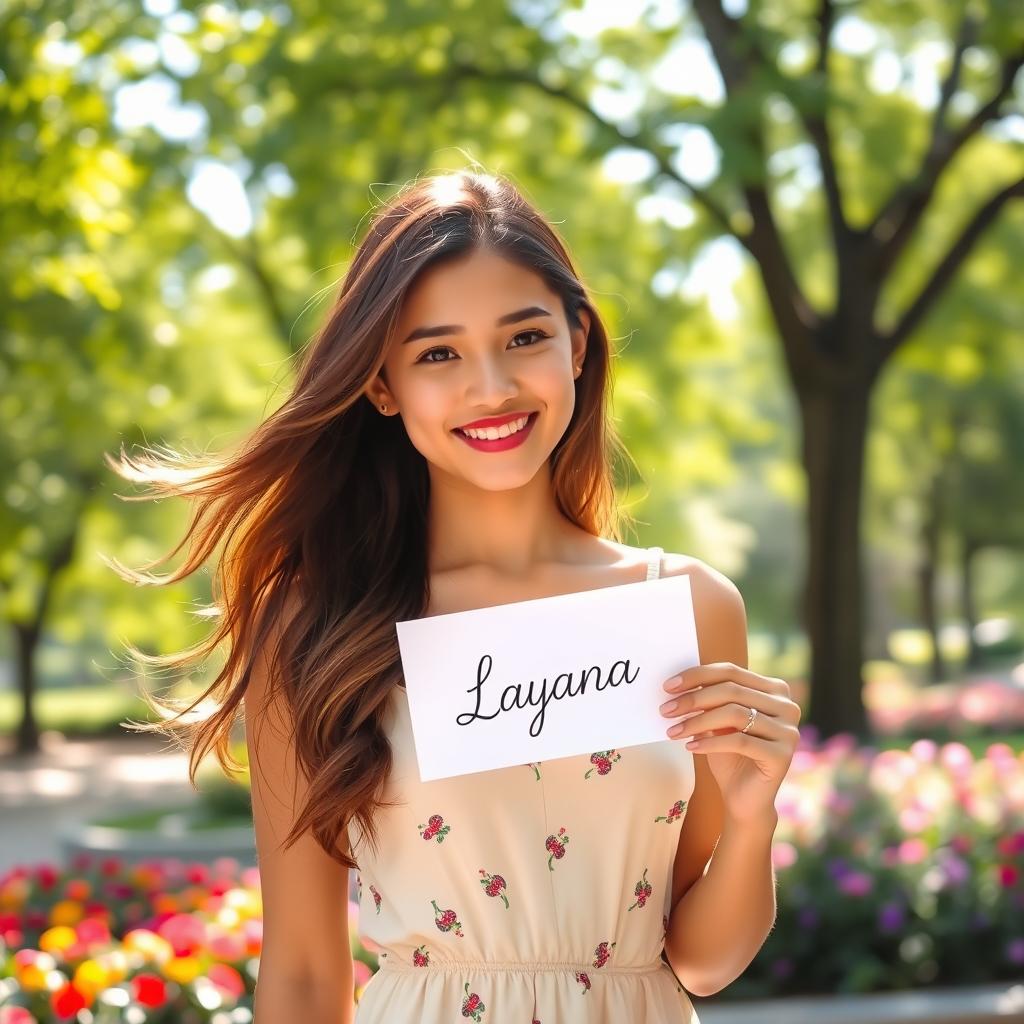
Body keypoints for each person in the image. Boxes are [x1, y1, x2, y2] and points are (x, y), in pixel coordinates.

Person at [106, 169, 800, 1023]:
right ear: (382, 385)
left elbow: (700, 959)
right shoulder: (322, 624)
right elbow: (303, 975)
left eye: (523, 337)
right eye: (438, 353)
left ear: (577, 342)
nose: (491, 388)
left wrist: (753, 815)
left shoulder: (687, 606)